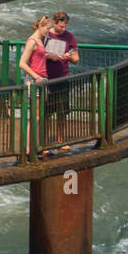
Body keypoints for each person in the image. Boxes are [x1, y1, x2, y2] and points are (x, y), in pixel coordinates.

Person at [44, 10, 79, 156]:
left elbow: (76, 59)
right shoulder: (46, 35)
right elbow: (38, 53)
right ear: (54, 23)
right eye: (60, 26)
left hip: (62, 77)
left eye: (65, 26)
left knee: (62, 111)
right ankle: (44, 142)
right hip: (46, 78)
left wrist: (69, 56)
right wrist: (49, 56)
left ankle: (61, 140)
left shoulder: (70, 37)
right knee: (46, 112)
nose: (63, 29)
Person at [19, 15, 53, 158]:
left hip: (42, 80)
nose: (49, 31)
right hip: (35, 81)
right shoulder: (32, 41)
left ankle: (38, 146)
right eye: (47, 28)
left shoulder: (41, 40)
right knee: (35, 116)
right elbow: (22, 63)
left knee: (40, 115)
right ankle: (28, 149)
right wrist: (36, 76)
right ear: (40, 27)